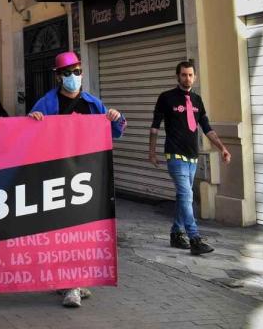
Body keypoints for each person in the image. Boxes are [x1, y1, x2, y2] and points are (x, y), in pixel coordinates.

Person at [28, 51, 125, 308]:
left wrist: (116, 117)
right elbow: (28, 136)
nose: (74, 77)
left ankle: (74, 281)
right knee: (63, 231)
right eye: (68, 73)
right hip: (57, 175)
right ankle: (70, 283)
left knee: (82, 232)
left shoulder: (94, 103)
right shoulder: (46, 104)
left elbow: (114, 132)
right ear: (59, 77)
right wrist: (33, 120)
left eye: (78, 71)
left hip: (87, 177)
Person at [149, 61, 232, 256]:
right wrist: (151, 152)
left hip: (192, 156)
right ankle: (194, 237)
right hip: (175, 155)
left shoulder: (197, 100)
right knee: (187, 195)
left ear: (195, 77)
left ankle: (176, 234)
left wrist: (222, 148)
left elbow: (207, 128)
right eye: (184, 75)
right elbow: (155, 127)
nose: (187, 78)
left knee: (183, 197)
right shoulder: (166, 98)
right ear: (177, 76)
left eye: (190, 75)